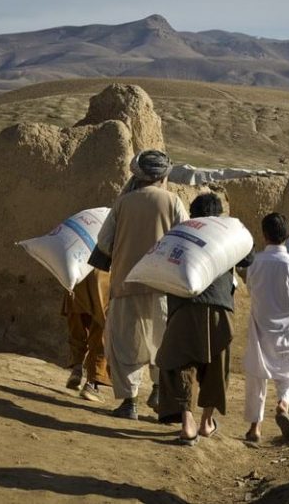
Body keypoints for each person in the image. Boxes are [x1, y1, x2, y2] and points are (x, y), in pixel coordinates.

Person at [94, 150, 188, 420]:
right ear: (164, 175)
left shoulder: (123, 204)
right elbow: (184, 239)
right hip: (163, 286)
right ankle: (159, 390)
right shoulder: (173, 202)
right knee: (161, 341)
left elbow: (103, 242)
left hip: (126, 284)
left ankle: (129, 403)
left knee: (125, 344)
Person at [156, 193, 250, 445]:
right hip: (221, 307)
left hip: (184, 307)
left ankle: (187, 423)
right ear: (219, 215)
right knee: (217, 366)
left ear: (191, 212)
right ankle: (207, 423)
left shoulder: (180, 233)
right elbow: (248, 257)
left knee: (178, 362)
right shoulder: (226, 235)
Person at [243, 213, 289, 442]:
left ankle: (255, 427)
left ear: (264, 235)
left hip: (261, 328)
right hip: (288, 328)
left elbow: (250, 290)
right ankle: (283, 404)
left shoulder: (255, 262)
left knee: (257, 376)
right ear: (288, 235)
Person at [62, 268, 112, 401]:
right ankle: (92, 384)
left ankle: (77, 368)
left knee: (78, 326)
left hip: (77, 274)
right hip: (105, 277)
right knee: (101, 332)